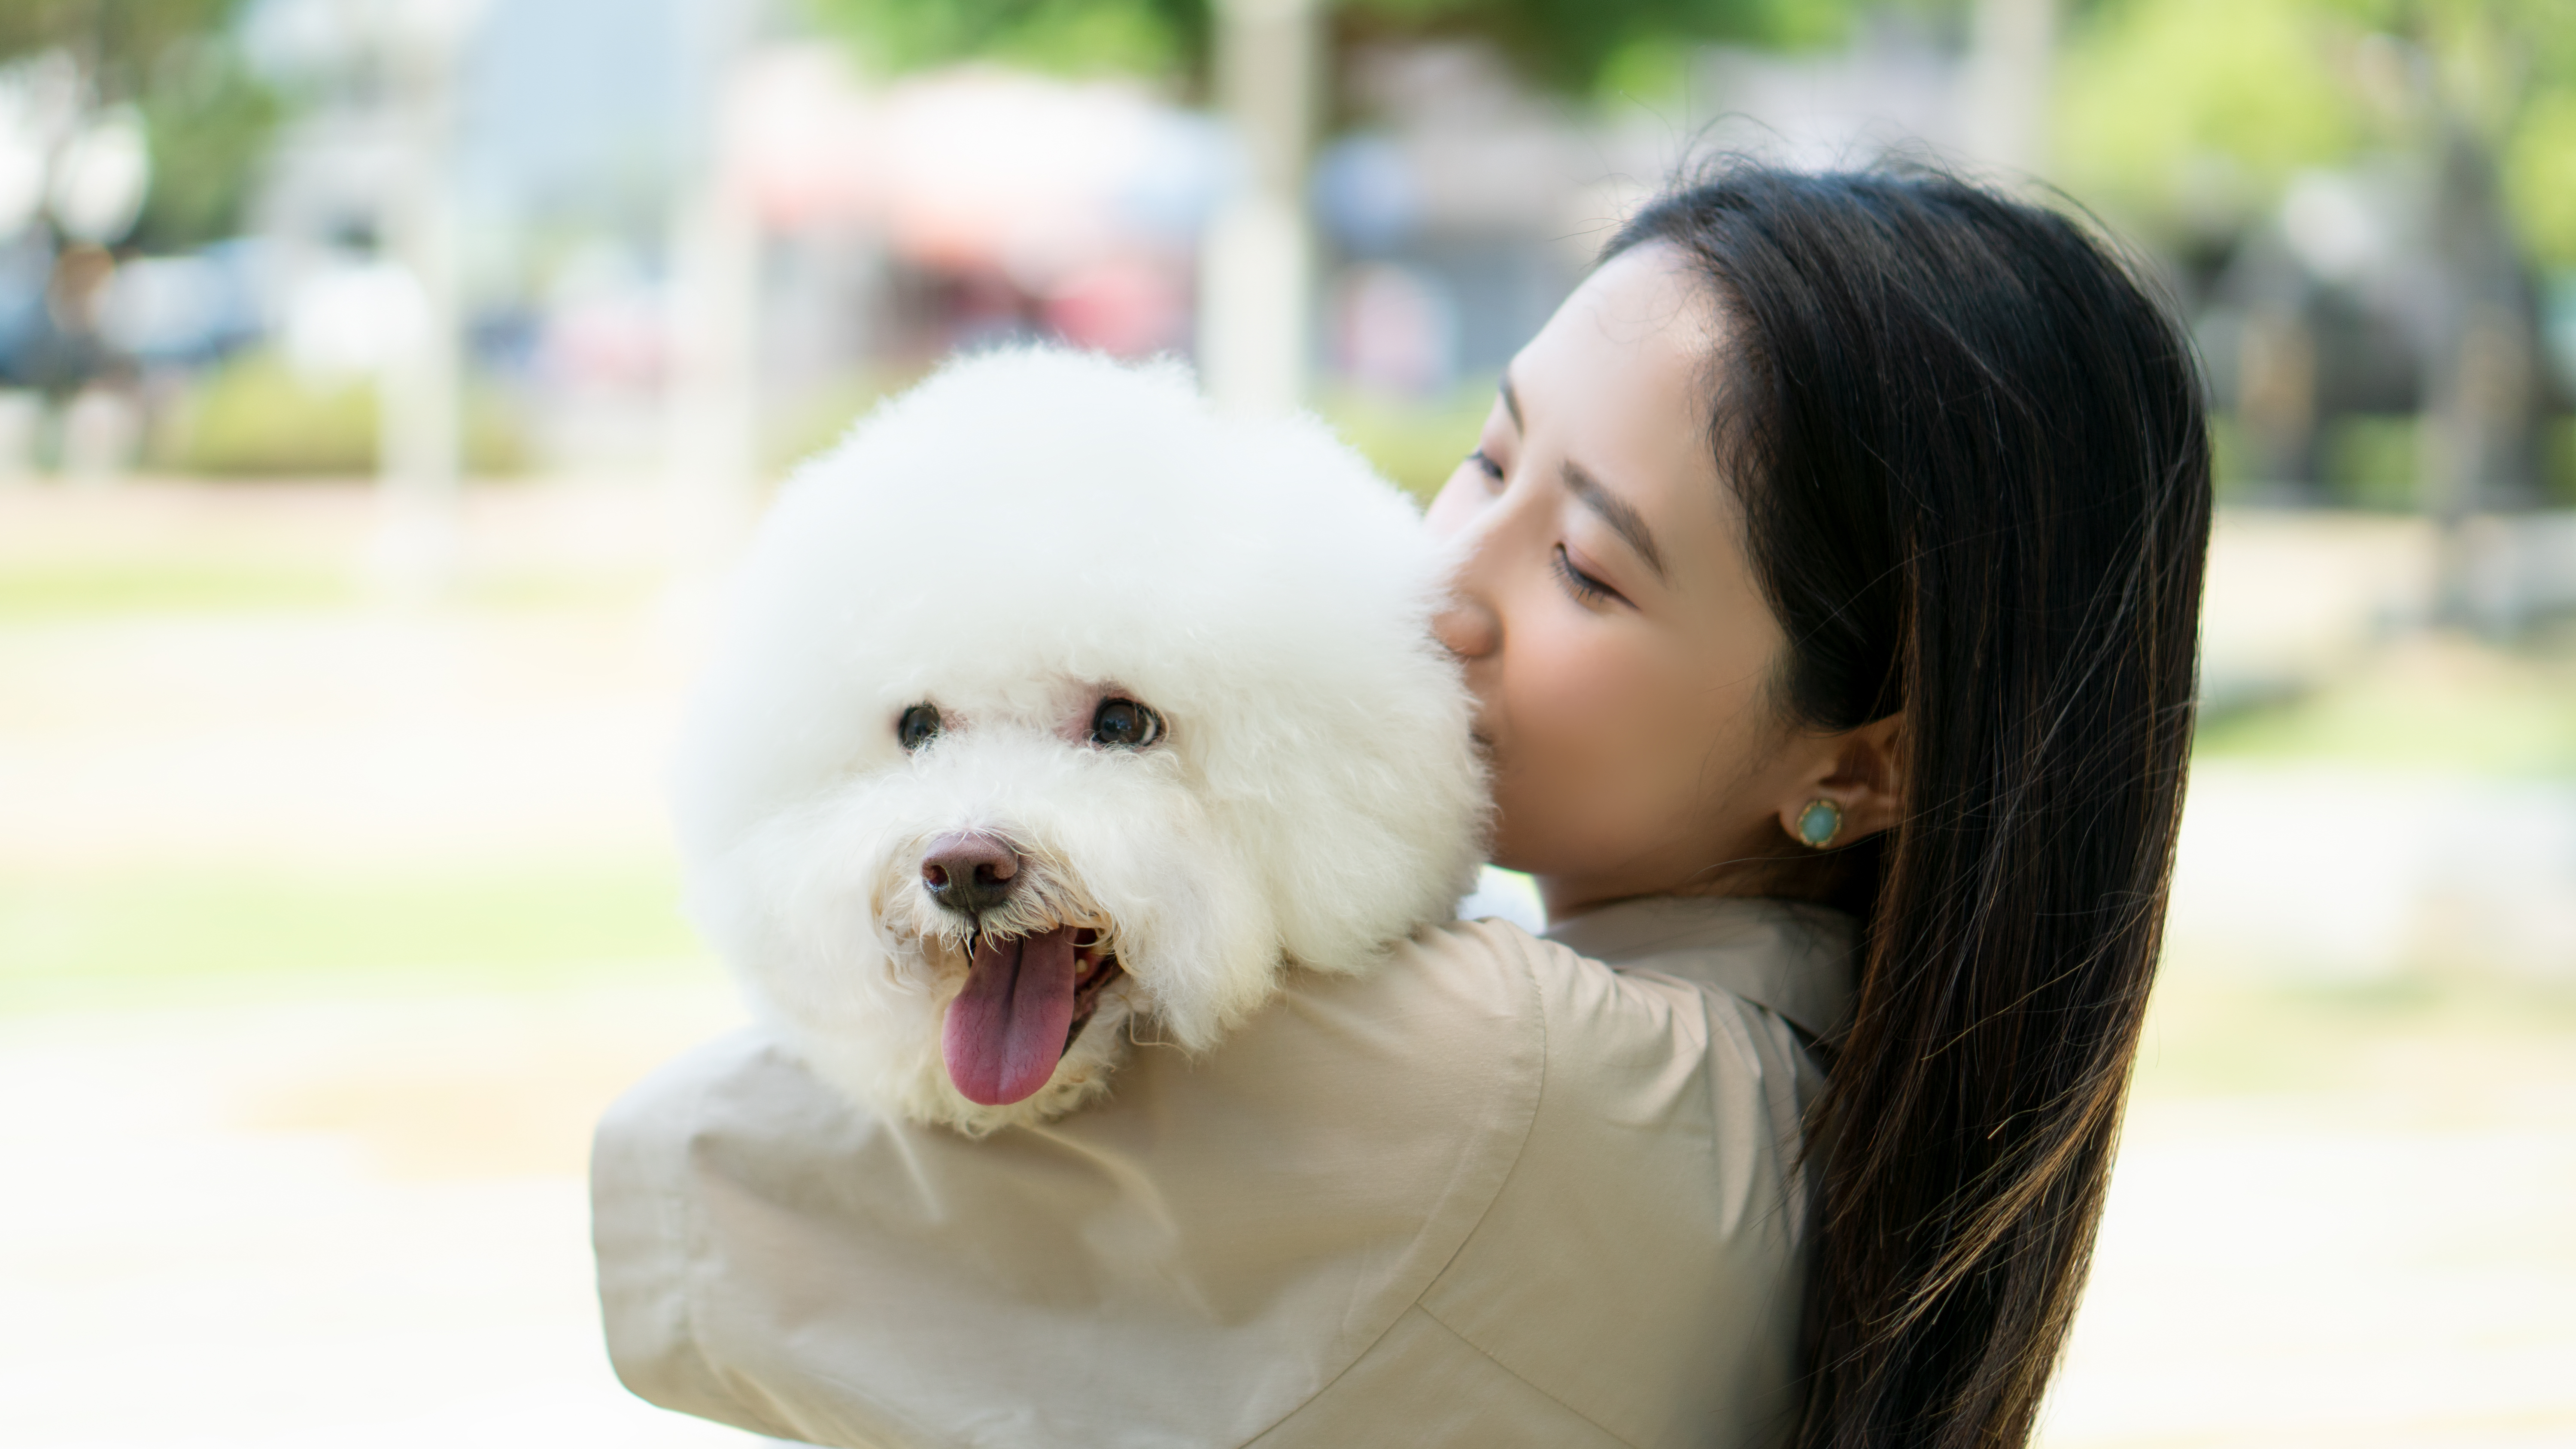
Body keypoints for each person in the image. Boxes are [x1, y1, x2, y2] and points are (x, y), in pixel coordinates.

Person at [593, 163, 2210, 1449]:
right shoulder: (1797, 1099)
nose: (1443, 586)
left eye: (1585, 566)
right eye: (1489, 462)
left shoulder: (1502, 1078)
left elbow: (695, 1179)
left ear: (1859, 764)